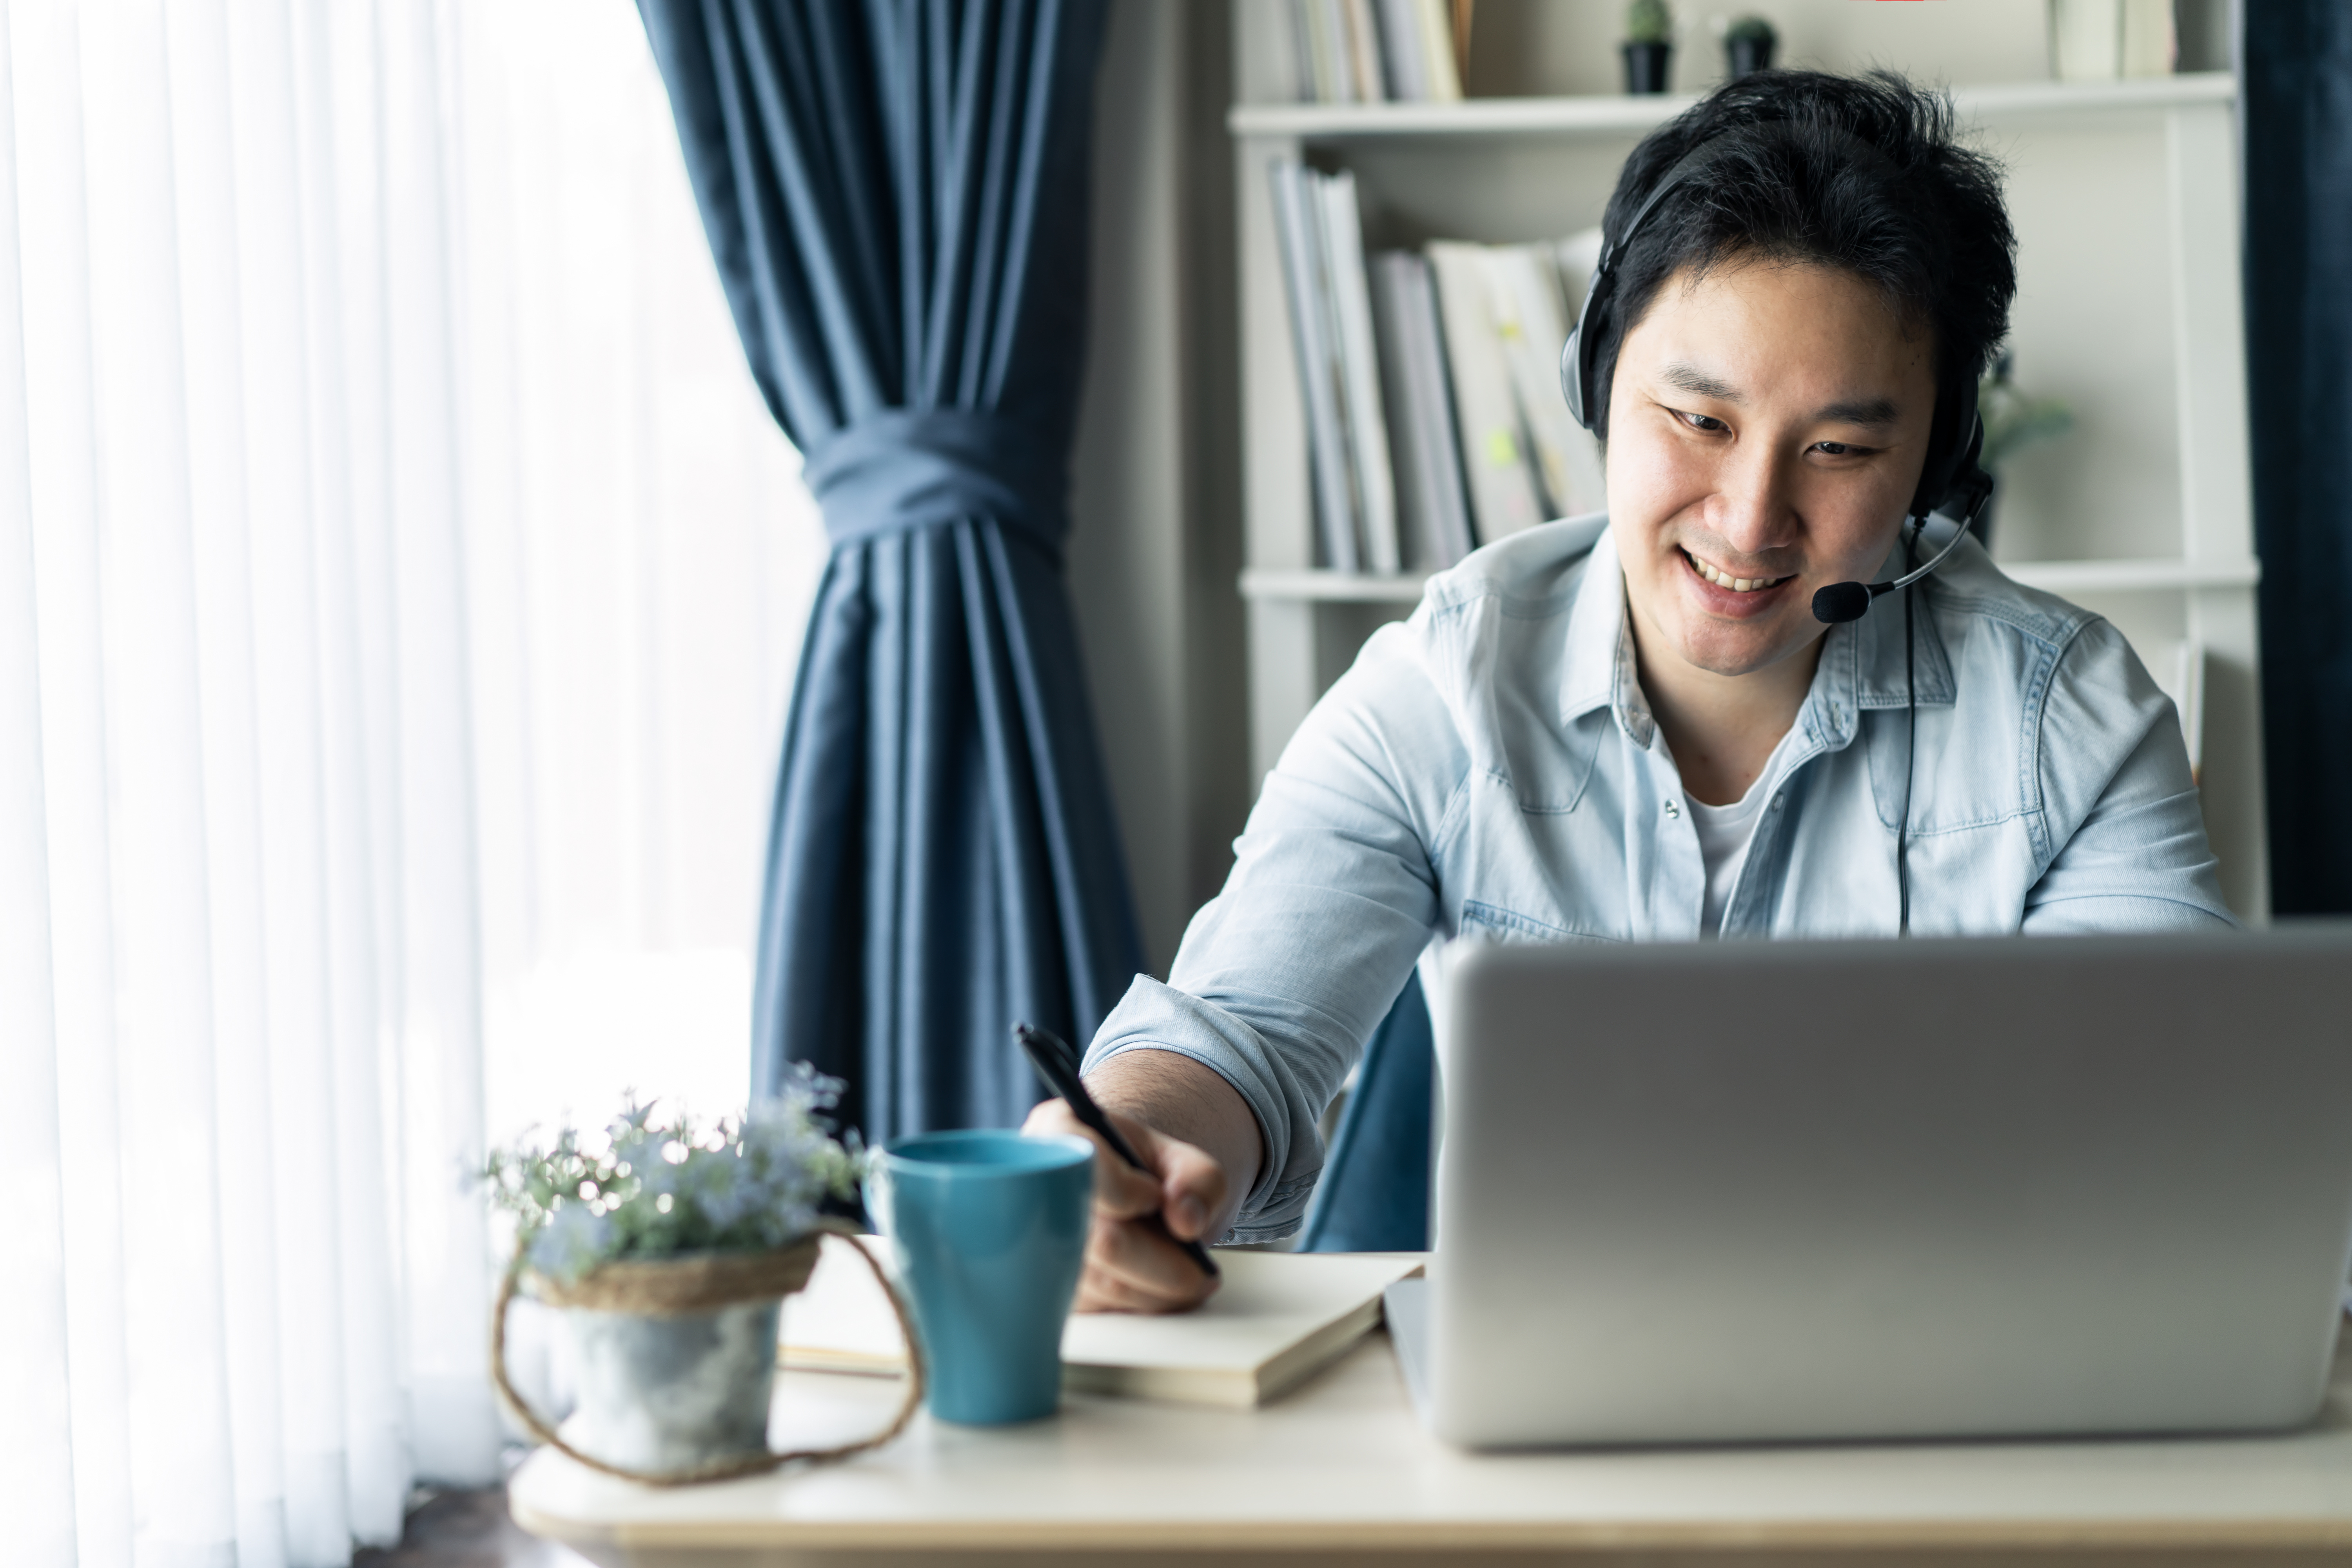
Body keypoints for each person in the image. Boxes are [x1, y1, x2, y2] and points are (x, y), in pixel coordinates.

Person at [1024, 70, 2233, 1314]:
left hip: (1952, 1389)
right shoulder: (1448, 682)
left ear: (1937, 462)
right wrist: (1123, 1137)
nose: (1752, 519)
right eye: (1697, 421)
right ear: (1597, 378)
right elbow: (1237, 1037)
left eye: (1842, 451)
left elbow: (2181, 1124)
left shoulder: (2065, 719)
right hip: (1542, 1420)